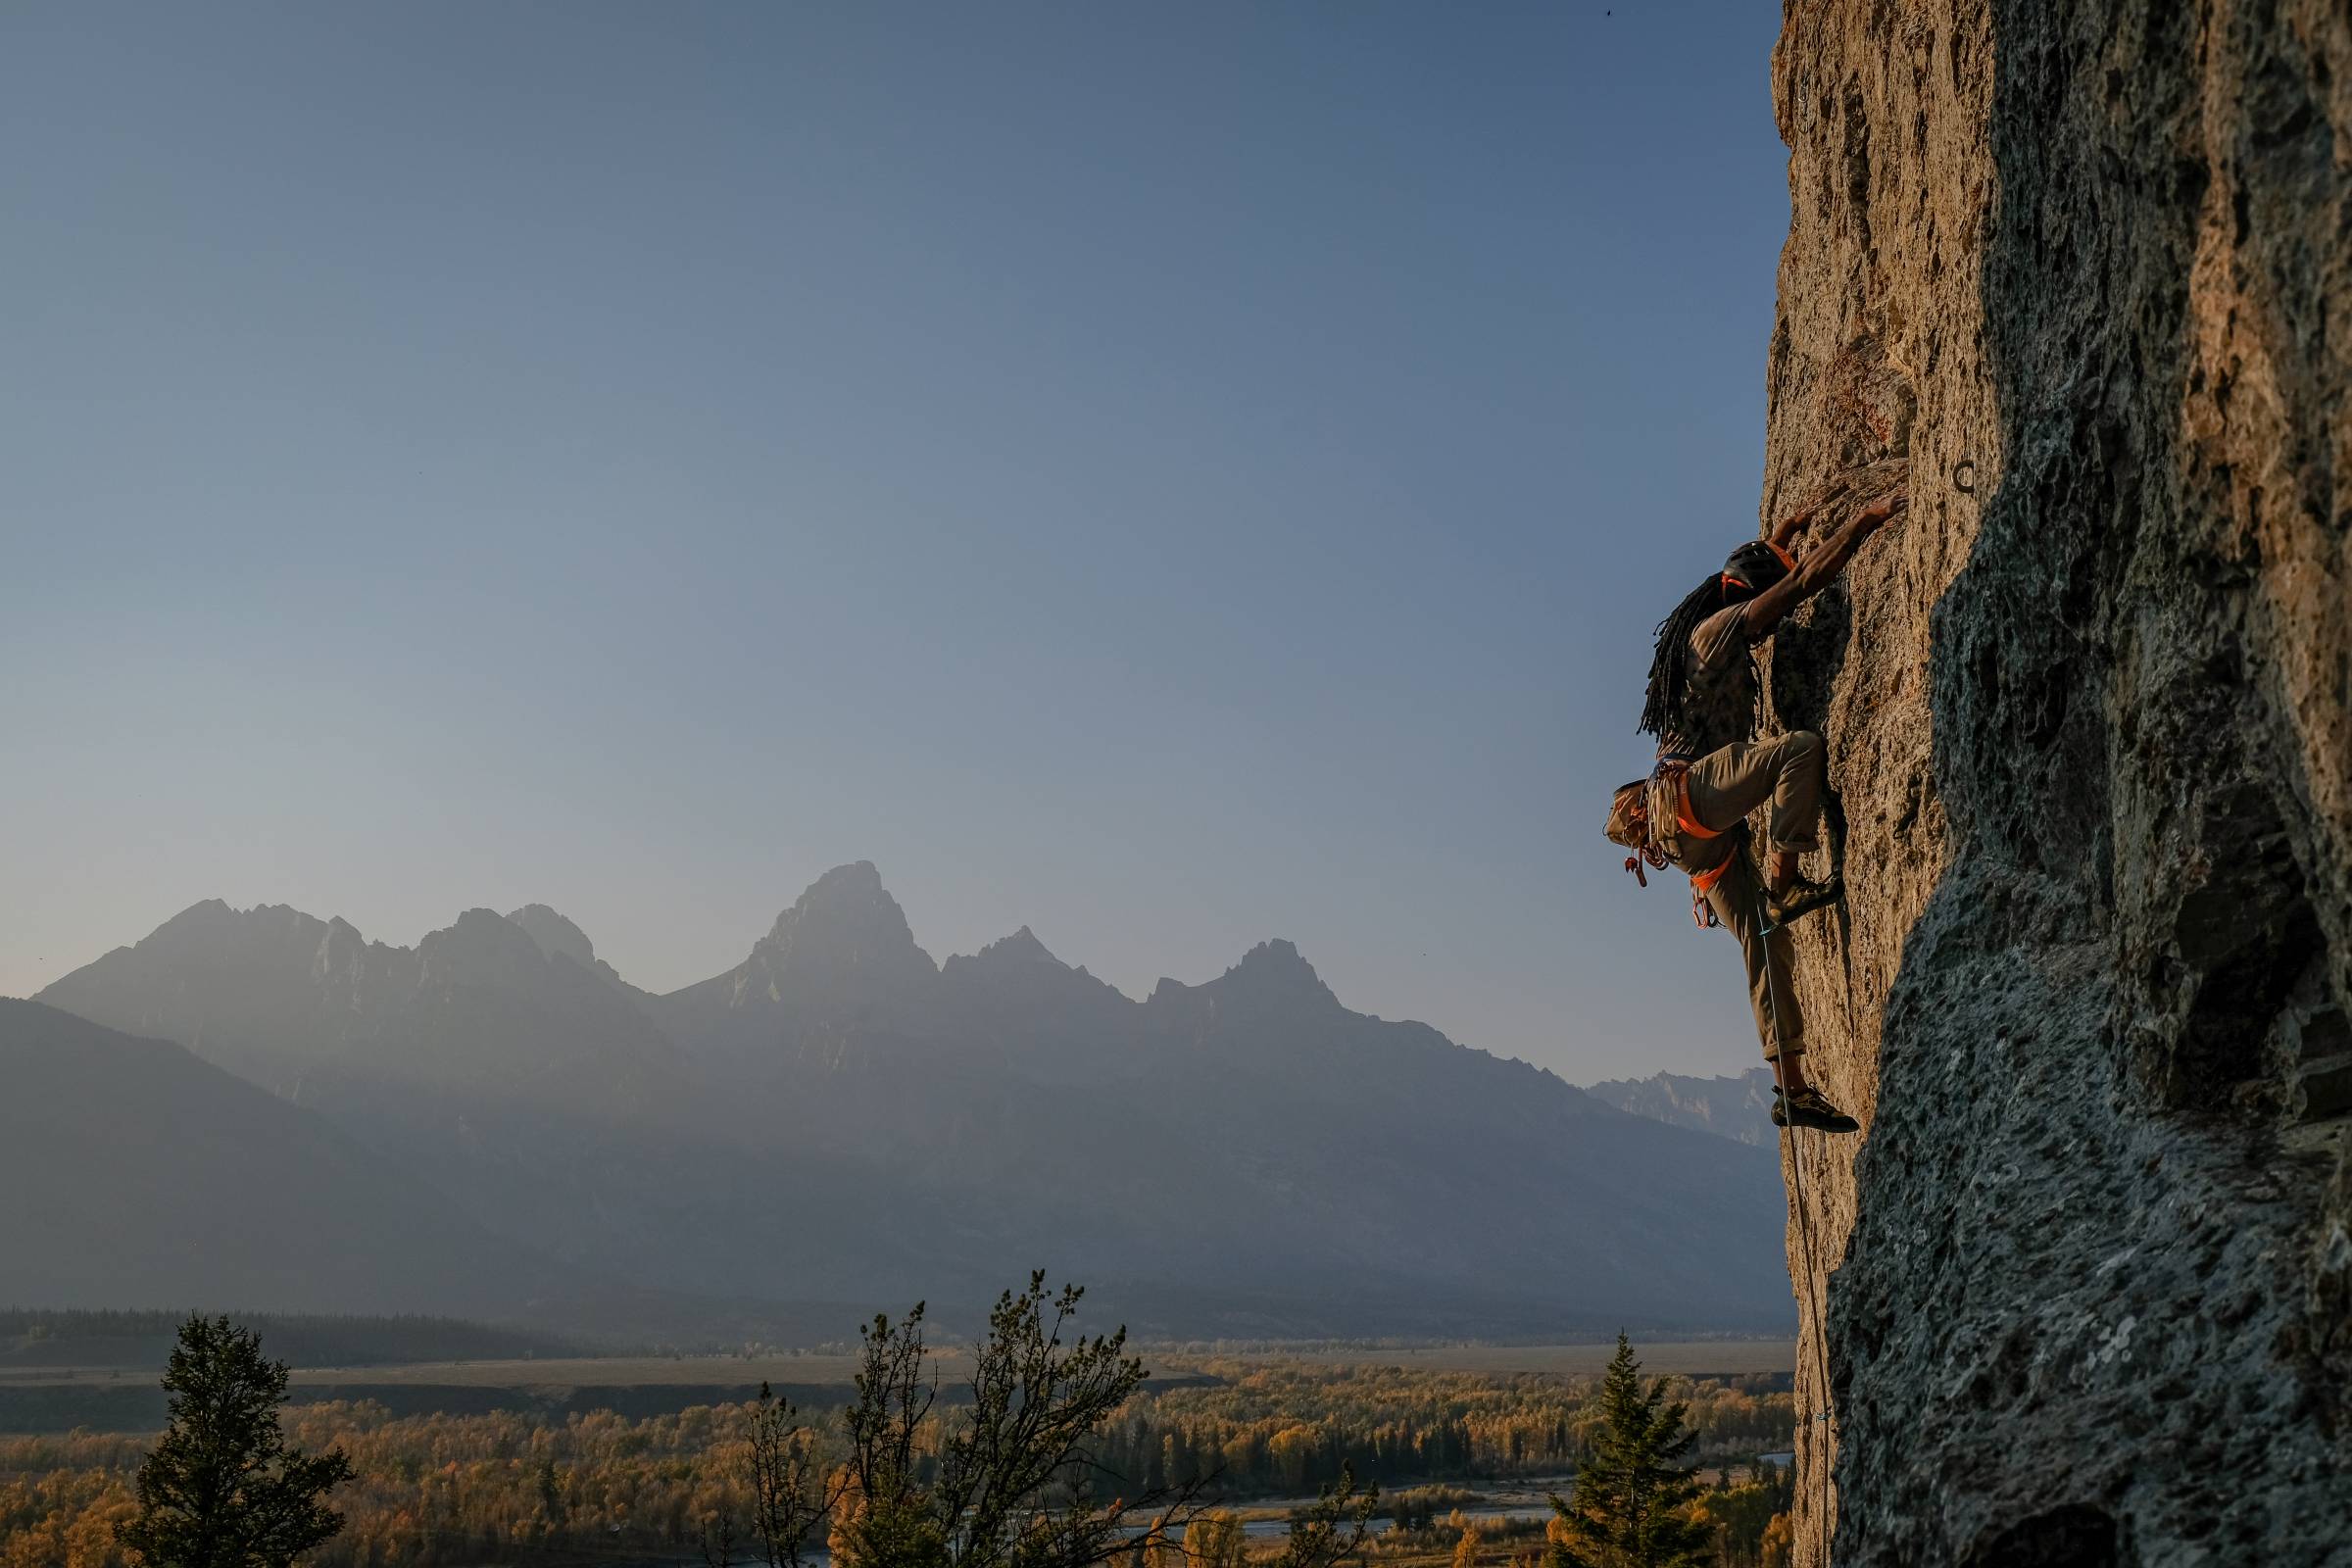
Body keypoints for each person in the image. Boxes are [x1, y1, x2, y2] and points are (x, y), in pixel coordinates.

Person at [1605, 466, 1908, 1134]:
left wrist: (1783, 532)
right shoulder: (1716, 631)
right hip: (1692, 799)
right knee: (1799, 750)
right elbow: (1797, 586)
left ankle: (1793, 1087)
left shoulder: (1705, 625)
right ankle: (1787, 876)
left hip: (1689, 835)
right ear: (1744, 593)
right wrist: (1867, 520)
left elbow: (1765, 570)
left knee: (1762, 940)